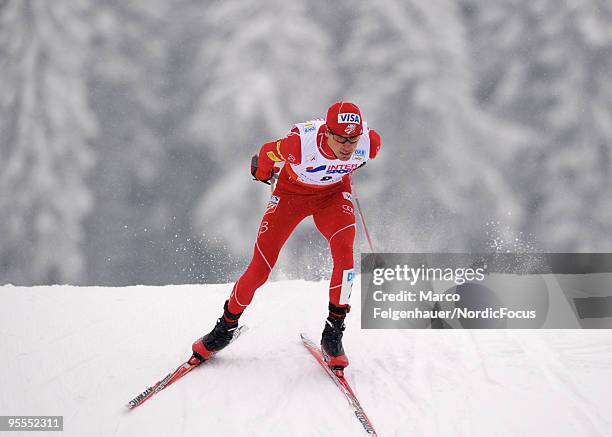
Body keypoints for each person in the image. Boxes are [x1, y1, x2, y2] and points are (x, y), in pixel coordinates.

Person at [192, 102, 382, 370]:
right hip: (291, 197)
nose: (348, 146)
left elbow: (367, 148)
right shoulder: (300, 145)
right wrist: (262, 172)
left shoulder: (368, 143)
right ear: (327, 133)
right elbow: (267, 153)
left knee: (345, 258)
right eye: (341, 139)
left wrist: (349, 166)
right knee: (259, 270)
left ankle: (333, 334)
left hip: (333, 197)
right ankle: (224, 328)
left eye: (353, 139)